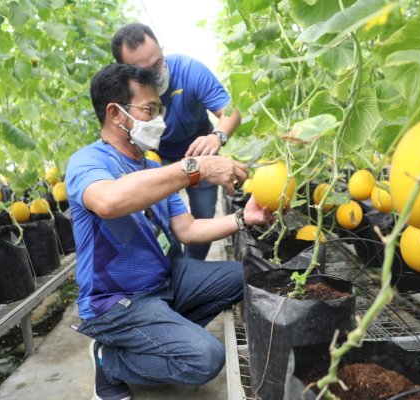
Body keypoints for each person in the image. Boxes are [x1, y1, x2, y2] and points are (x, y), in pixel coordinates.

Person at [65, 63, 271, 400]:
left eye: (159, 108)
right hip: (118, 301)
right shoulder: (87, 161)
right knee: (205, 358)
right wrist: (196, 168)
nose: (159, 118)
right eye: (150, 109)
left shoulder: (151, 166)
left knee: (247, 276)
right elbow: (107, 200)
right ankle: (110, 360)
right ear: (116, 114)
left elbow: (187, 229)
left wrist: (244, 219)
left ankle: (162, 330)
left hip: (163, 282)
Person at [111, 23, 242, 260]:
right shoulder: (121, 95)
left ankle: (194, 268)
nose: (159, 71)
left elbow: (231, 112)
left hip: (199, 151)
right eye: (147, 70)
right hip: (155, 159)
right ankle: (174, 270)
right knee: (161, 221)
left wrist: (217, 136)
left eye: (159, 62)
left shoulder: (188, 70)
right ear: (125, 71)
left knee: (203, 219)